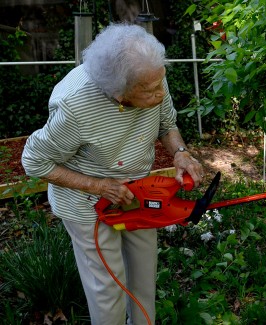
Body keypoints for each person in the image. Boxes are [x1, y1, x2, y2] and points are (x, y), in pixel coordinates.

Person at [22, 23, 204, 324]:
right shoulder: (75, 107)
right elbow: (35, 160)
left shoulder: (150, 73)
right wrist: (99, 186)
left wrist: (180, 152)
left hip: (137, 192)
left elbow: (167, 123)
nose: (161, 93)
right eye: (150, 91)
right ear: (120, 95)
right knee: (109, 289)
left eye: (161, 82)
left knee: (143, 277)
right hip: (87, 203)